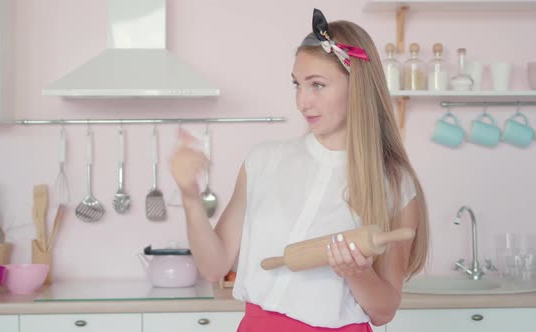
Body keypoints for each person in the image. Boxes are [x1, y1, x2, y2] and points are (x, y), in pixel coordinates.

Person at [170, 8, 429, 332]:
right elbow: (214, 266)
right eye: (297, 85)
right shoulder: (262, 162)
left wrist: (357, 273)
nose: (302, 101)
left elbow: (384, 311)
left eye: (317, 85)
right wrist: (191, 198)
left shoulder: (395, 184)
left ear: (358, 86)